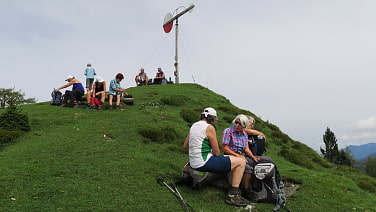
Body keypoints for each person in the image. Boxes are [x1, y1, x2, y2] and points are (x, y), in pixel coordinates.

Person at [183, 108, 248, 207]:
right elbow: (217, 152)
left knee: (229, 158)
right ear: (212, 119)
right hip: (204, 162)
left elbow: (185, 146)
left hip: (193, 162)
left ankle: (231, 189)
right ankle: (232, 195)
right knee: (241, 162)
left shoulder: (194, 125)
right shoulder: (209, 127)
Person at [222, 114, 260, 201]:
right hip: (231, 155)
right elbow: (225, 148)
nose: (237, 125)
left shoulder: (244, 134)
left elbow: (246, 148)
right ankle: (245, 190)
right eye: (236, 122)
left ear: (244, 126)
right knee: (247, 167)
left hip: (242, 155)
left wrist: (253, 157)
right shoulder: (228, 131)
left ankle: (257, 187)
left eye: (240, 124)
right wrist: (239, 156)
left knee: (262, 161)